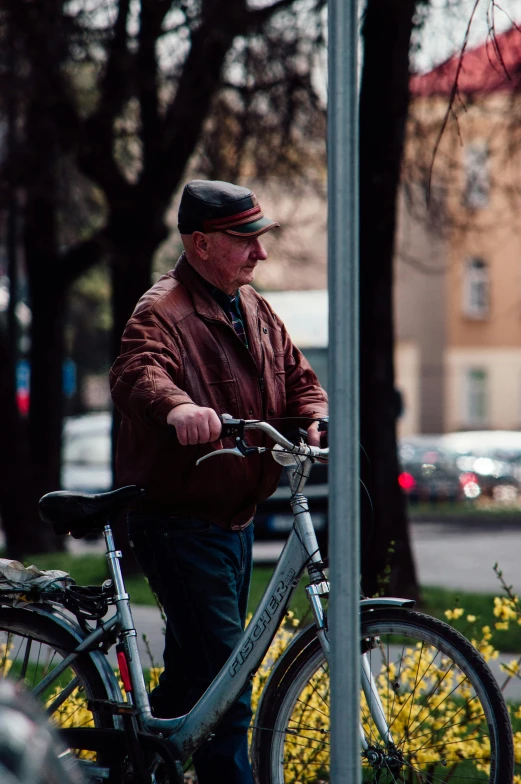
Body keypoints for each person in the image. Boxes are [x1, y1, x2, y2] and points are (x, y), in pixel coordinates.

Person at [109, 179, 328, 784]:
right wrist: (177, 408)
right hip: (181, 524)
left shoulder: (250, 304)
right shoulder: (164, 309)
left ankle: (137, 767)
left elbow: (295, 373)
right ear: (200, 243)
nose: (260, 253)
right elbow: (137, 371)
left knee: (194, 684)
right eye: (245, 240)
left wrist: (313, 415)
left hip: (233, 522)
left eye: (260, 239)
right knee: (229, 688)